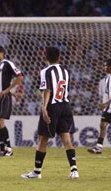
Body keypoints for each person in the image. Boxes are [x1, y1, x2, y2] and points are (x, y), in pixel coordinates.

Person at [21, 47, 79, 180]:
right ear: (59, 57)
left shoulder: (45, 71)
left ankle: (36, 172)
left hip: (53, 106)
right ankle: (74, 169)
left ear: (45, 56)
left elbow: (47, 90)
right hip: (65, 105)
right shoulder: (66, 71)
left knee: (43, 139)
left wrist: (44, 108)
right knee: (66, 137)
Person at [0, 46, 23, 157]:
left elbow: (19, 77)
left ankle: (9, 148)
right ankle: (2, 149)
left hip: (4, 97)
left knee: (0, 122)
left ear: (2, 53)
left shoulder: (7, 63)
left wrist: (7, 90)